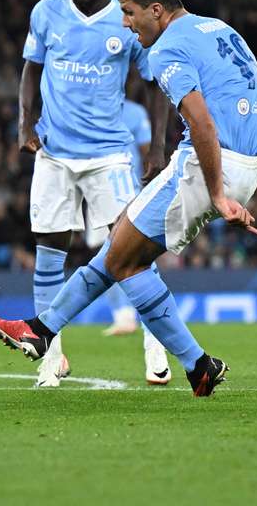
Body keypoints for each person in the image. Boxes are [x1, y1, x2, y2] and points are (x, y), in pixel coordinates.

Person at [0, 0, 257, 397]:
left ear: (156, 10)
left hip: (210, 162)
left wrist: (217, 192)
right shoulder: (217, 28)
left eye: (129, 11)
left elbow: (201, 123)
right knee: (121, 244)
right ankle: (42, 329)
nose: (124, 22)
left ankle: (192, 362)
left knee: (125, 260)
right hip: (247, 160)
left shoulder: (166, 48)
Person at [0, 0, 167, 387]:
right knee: (49, 254)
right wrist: (25, 125)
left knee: (132, 250)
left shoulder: (125, 19)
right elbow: (31, 70)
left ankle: (155, 343)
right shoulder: (46, 12)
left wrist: (155, 147)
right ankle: (49, 358)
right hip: (54, 154)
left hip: (110, 155)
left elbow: (152, 84)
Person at [85, 94, 171, 385]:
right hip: (97, 190)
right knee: (106, 255)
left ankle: (153, 337)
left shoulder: (134, 112)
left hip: (128, 189)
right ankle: (124, 316)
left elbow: (148, 151)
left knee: (135, 258)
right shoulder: (89, 108)